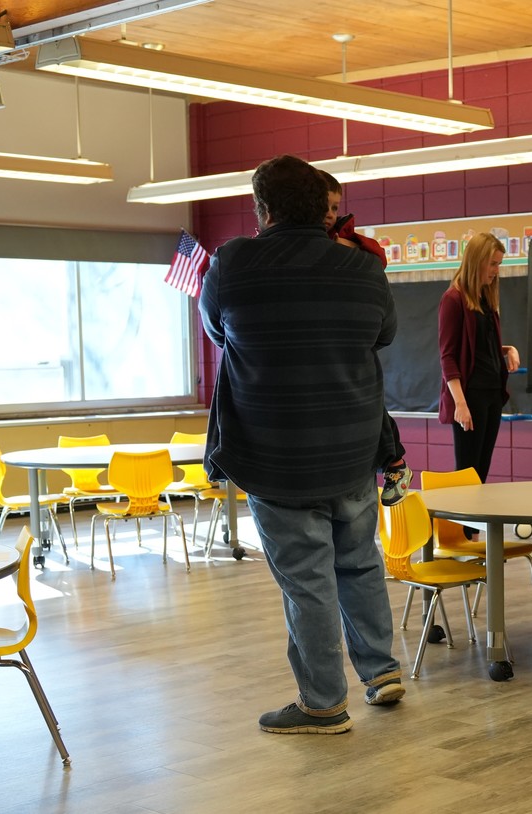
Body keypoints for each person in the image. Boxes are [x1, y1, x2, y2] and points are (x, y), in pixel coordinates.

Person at [200, 154, 404, 736]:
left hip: (275, 457)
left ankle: (323, 703)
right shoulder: (363, 270)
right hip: (354, 448)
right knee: (361, 564)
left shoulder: (232, 265)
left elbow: (217, 330)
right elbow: (383, 334)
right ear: (325, 210)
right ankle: (382, 673)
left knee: (307, 580)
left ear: (263, 210)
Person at [319, 170, 412, 507]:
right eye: (324, 205)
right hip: (334, 353)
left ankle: (395, 464)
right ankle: (394, 462)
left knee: (369, 402)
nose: (330, 213)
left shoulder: (348, 242)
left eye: (335, 206)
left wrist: (343, 248)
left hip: (350, 351)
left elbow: (377, 257)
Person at [438, 233, 520, 493]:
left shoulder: (485, 298)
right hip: (470, 397)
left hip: (492, 393)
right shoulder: (453, 299)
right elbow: (447, 355)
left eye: (499, 264)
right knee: (467, 472)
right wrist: (460, 405)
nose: (496, 271)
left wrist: (509, 349)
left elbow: (482, 345)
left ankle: (473, 535)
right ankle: (464, 533)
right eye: (493, 264)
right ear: (477, 262)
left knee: (481, 470)